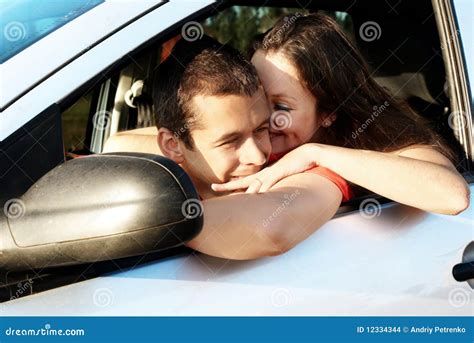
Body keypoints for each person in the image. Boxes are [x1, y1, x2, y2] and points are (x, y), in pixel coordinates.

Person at [212, 13, 470, 215]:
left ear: (329, 110)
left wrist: (314, 154)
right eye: (257, 102)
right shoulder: (248, 151)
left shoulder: (378, 140)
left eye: (281, 106)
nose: (264, 119)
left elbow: (452, 196)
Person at [152, 35, 347, 259]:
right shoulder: (156, 186)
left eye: (261, 129)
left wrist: (148, 220)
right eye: (230, 141)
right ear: (172, 145)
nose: (257, 157)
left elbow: (271, 228)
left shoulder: (298, 170)